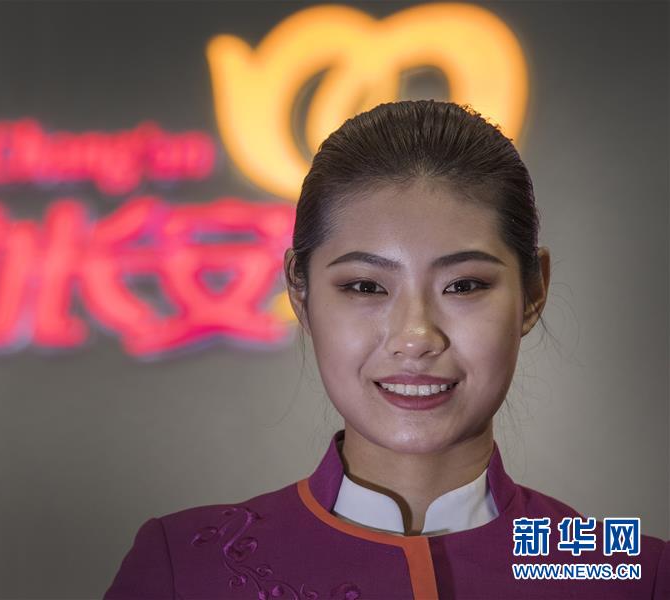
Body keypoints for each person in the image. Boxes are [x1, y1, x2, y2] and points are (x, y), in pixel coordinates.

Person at [104, 100, 669, 599]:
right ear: (300, 293)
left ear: (533, 292)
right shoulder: (185, 567)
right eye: (365, 287)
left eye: (464, 285)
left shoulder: (631, 575)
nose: (416, 336)